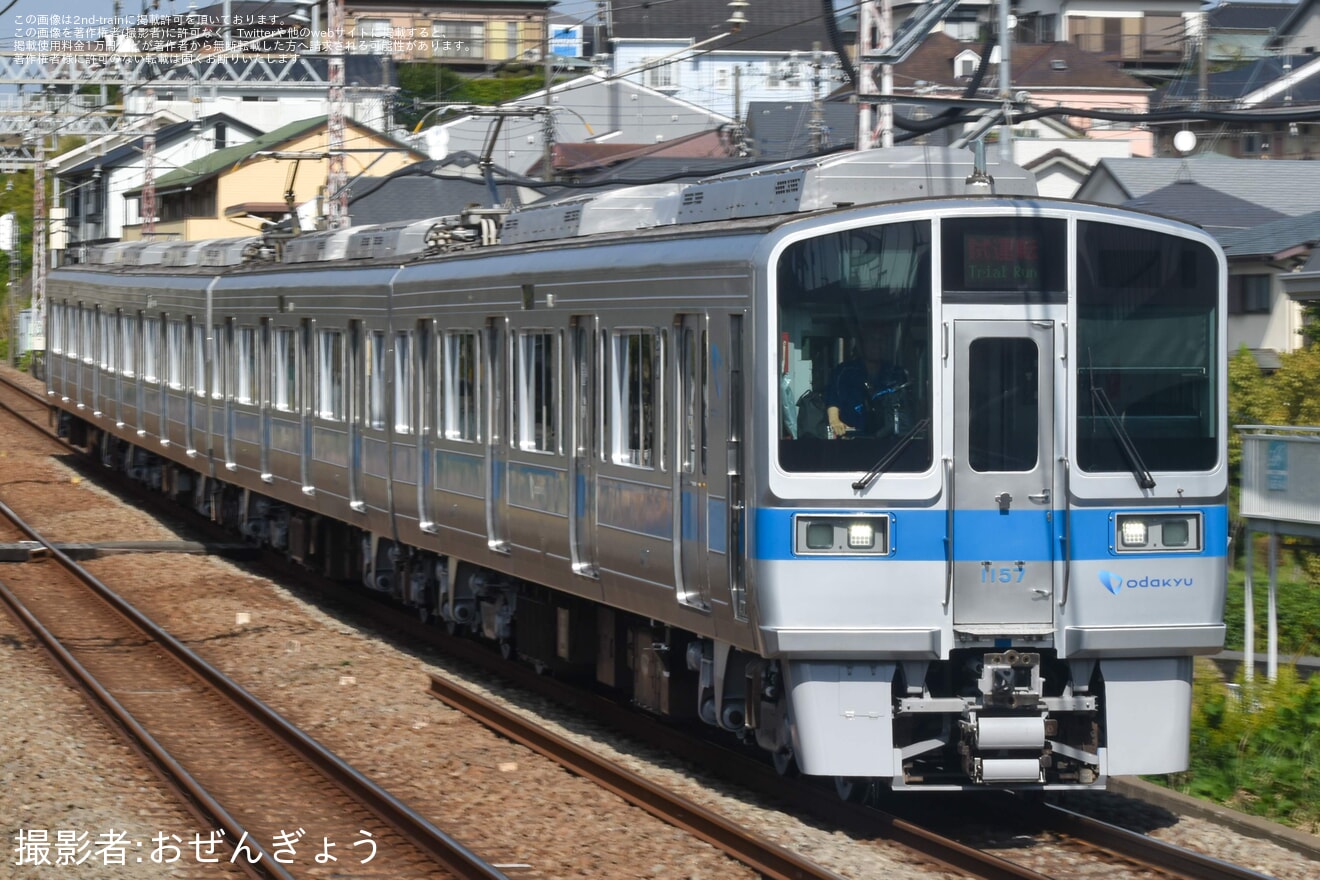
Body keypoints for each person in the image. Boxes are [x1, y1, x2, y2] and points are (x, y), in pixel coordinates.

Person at [826, 329, 908, 438]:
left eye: (881, 341)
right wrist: (835, 421)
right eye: (872, 340)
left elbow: (908, 406)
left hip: (891, 443)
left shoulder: (896, 373)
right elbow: (833, 400)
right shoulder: (845, 372)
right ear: (861, 345)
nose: (876, 345)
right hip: (851, 439)